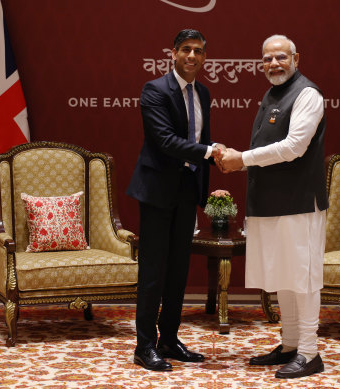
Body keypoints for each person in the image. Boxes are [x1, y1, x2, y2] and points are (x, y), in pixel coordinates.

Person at [220, 34, 327, 379]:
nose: (273, 64)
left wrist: (243, 160)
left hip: (298, 203)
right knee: (284, 274)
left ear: (297, 58)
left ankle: (310, 353)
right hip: (270, 201)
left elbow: (295, 146)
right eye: (267, 59)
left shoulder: (308, 94)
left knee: (304, 278)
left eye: (281, 57)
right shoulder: (272, 93)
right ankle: (291, 344)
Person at [126, 29, 224, 371]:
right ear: (173, 53)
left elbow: (202, 138)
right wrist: (211, 153)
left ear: (204, 57)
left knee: (179, 270)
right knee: (153, 270)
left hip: (186, 188)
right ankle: (144, 346)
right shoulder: (154, 90)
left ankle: (169, 339)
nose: (192, 56)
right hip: (156, 191)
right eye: (185, 49)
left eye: (198, 50)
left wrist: (206, 166)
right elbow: (165, 140)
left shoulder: (204, 93)